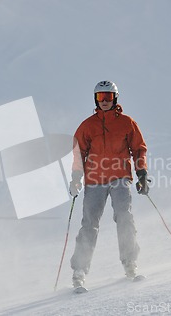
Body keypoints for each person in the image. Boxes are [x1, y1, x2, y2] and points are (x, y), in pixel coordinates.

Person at [68, 80, 149, 288]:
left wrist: (141, 173)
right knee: (89, 224)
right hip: (95, 180)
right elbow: (79, 153)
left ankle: (130, 263)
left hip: (120, 177)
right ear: (95, 99)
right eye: (100, 97)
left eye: (108, 97)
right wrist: (76, 177)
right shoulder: (88, 125)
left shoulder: (126, 123)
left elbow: (138, 149)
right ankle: (79, 271)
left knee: (124, 217)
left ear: (115, 98)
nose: (104, 101)